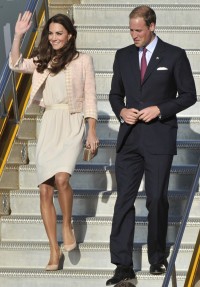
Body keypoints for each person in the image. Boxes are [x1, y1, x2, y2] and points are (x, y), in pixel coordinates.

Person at [106, 5, 196, 286]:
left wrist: (160, 109)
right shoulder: (122, 56)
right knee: (124, 201)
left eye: (139, 30)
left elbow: (189, 95)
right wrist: (121, 110)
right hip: (130, 138)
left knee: (156, 198)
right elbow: (114, 93)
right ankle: (123, 265)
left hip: (159, 136)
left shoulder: (174, 55)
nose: (134, 35)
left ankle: (157, 256)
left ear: (152, 26)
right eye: (131, 30)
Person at [9, 11, 99, 271]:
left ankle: (67, 224)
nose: (54, 37)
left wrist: (91, 130)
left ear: (70, 35)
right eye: (51, 33)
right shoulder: (42, 59)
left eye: (59, 33)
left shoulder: (83, 60)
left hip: (72, 122)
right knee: (44, 189)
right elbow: (16, 64)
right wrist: (18, 36)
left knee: (62, 179)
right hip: (50, 123)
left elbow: (91, 97)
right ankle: (53, 248)